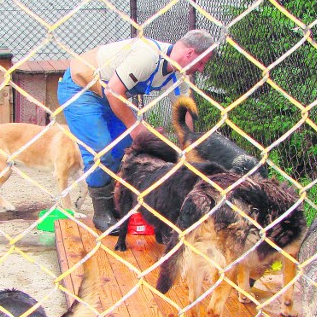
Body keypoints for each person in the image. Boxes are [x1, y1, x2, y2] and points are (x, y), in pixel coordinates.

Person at [57, 29, 217, 233]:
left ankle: (116, 205)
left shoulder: (178, 75)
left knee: (124, 148)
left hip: (109, 95)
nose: (201, 69)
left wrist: (190, 150)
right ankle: (102, 213)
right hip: (81, 89)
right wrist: (137, 129)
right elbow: (114, 91)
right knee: (102, 150)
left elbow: (184, 112)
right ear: (190, 53)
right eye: (202, 62)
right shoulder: (148, 55)